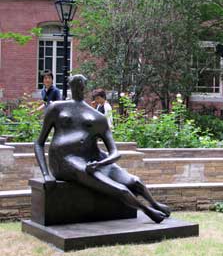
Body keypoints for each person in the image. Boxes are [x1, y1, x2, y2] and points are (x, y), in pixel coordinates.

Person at [34, 74, 170, 224]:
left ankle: (155, 204)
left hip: (94, 158)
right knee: (120, 189)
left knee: (135, 182)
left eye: (80, 85)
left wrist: (101, 164)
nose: (77, 88)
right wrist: (46, 174)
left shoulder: (97, 117)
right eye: (74, 84)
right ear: (70, 87)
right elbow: (39, 143)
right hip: (64, 161)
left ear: (84, 87)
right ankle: (148, 211)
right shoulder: (56, 108)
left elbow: (115, 152)